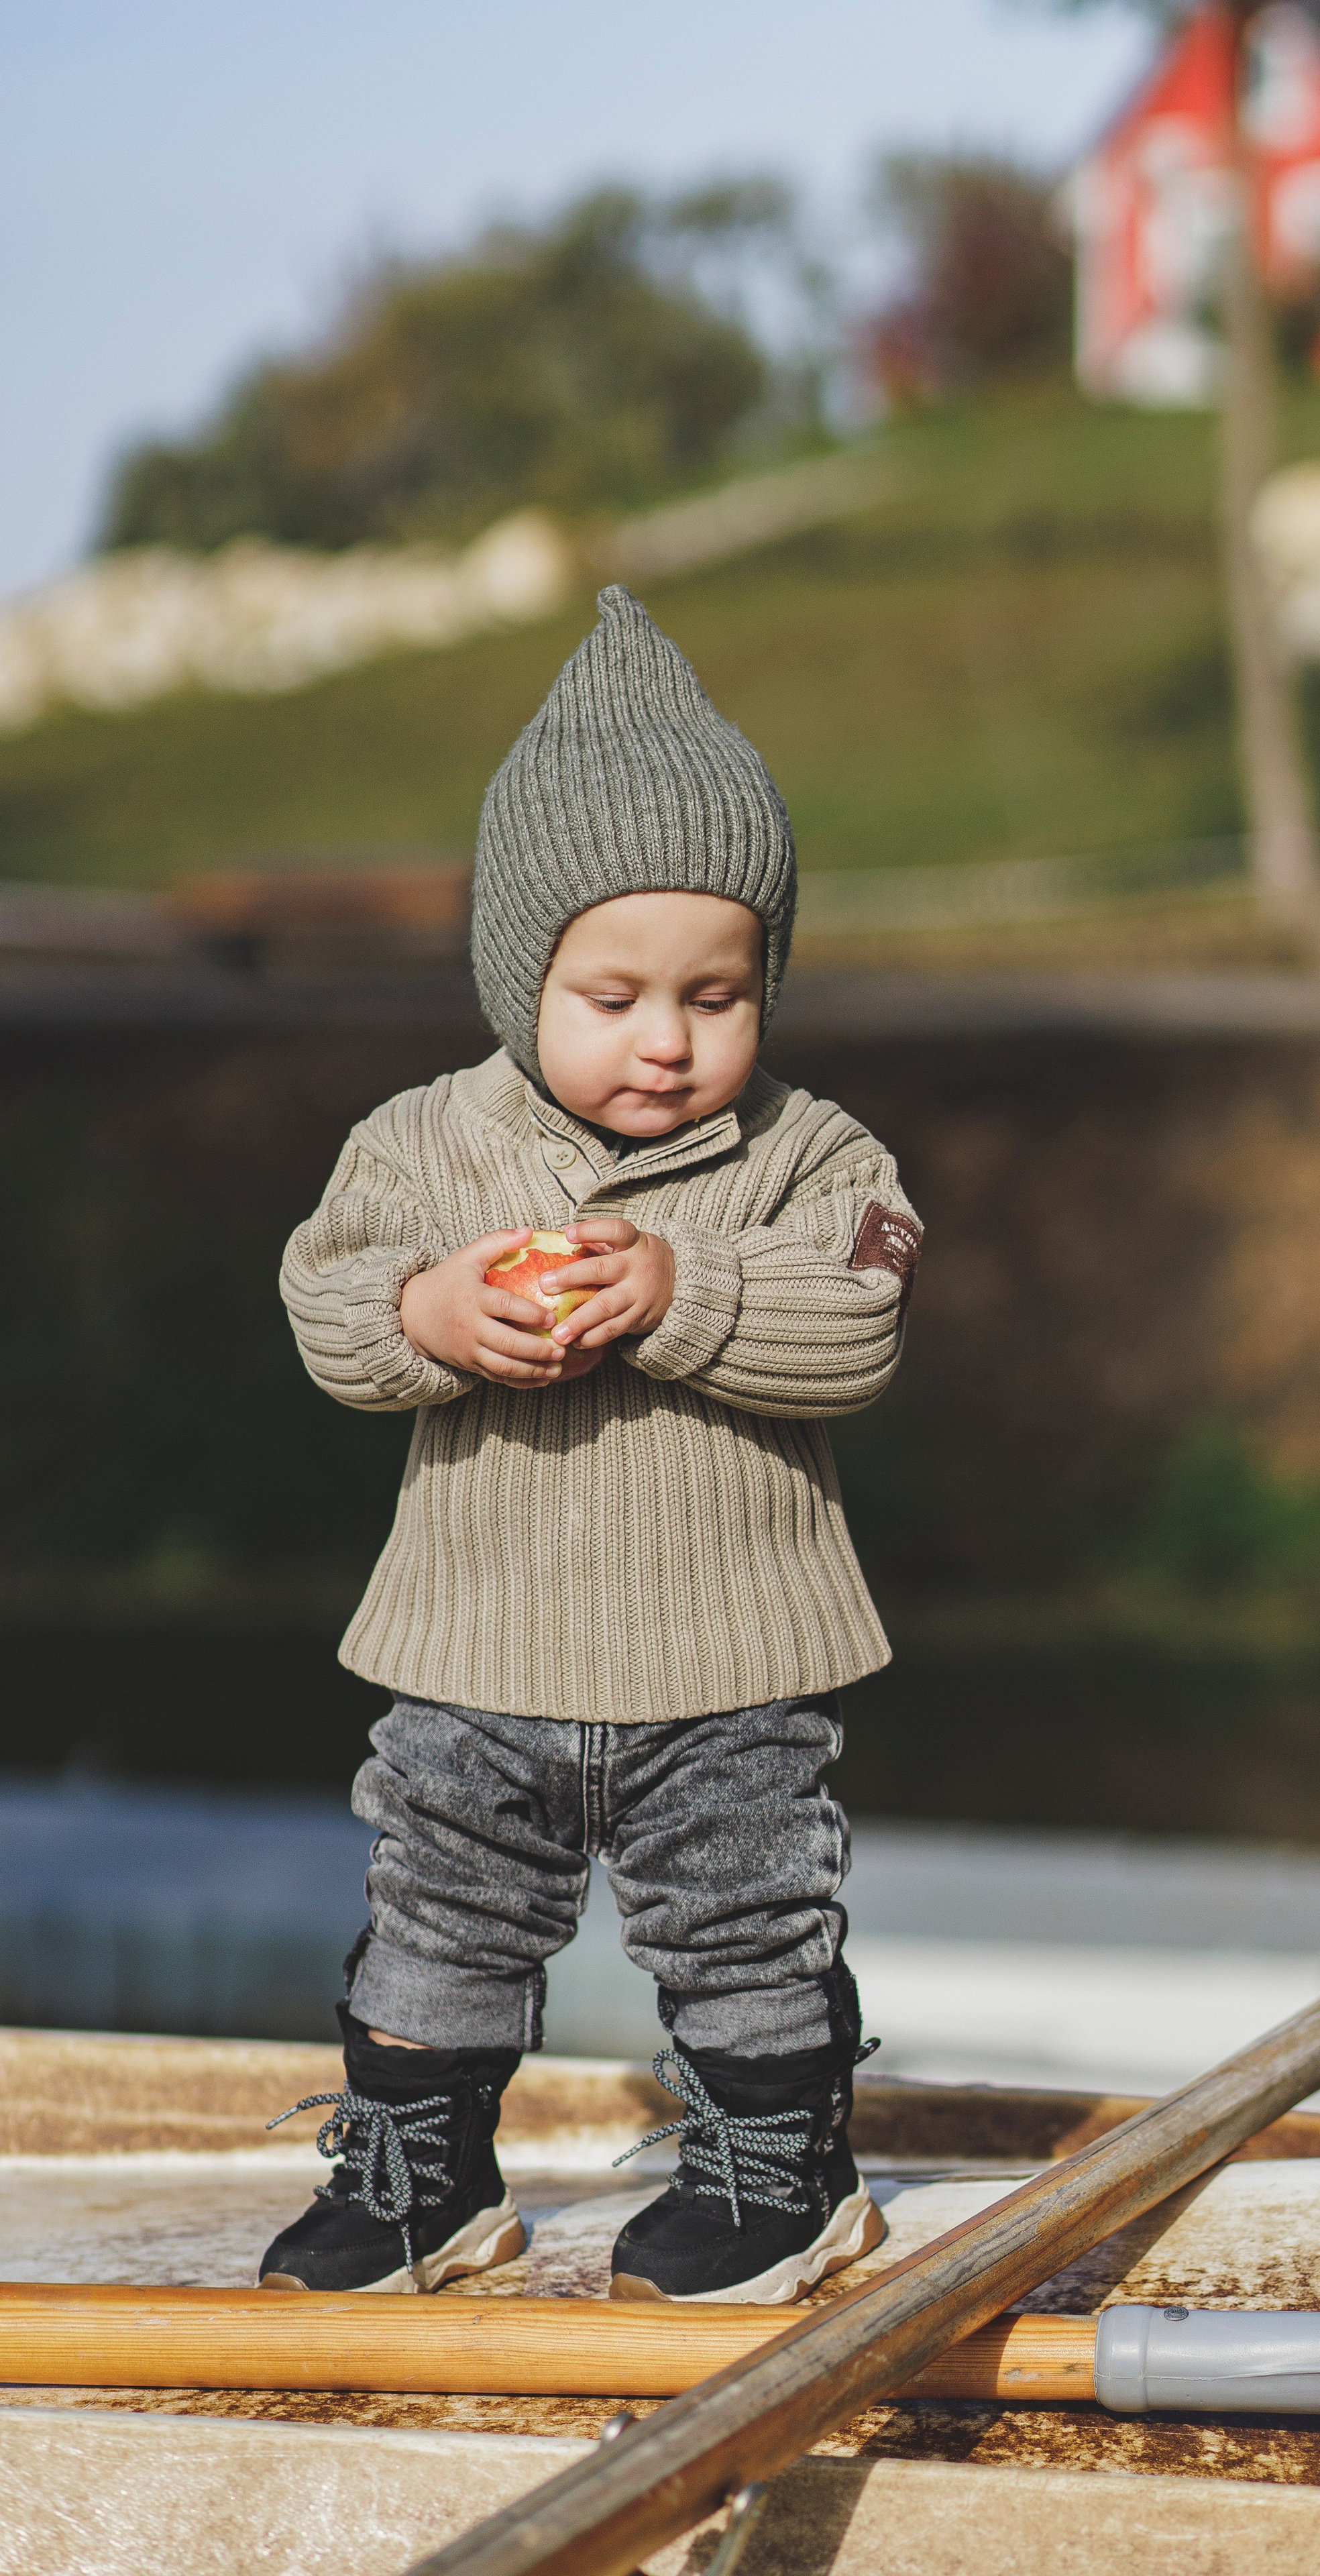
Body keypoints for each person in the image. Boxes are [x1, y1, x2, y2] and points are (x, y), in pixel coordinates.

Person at [259, 586, 920, 2305]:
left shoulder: (809, 1156)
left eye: (718, 992)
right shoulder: (424, 1144)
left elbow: (858, 1319)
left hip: (731, 1653)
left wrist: (680, 1290)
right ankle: (420, 2175)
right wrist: (426, 1317)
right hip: (476, 1641)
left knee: (744, 1921)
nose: (667, 1038)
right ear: (516, 976)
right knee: (441, 1911)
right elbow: (321, 1301)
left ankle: (778, 2169)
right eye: (611, 992)